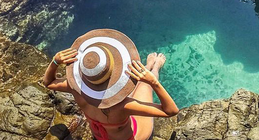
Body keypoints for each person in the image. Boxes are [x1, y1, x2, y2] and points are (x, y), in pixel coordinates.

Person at [43, 29, 178, 140]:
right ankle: (154, 68)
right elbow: (171, 110)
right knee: (144, 86)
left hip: (100, 137)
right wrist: (153, 82)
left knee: (131, 87)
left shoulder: (76, 90)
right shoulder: (123, 106)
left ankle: (146, 66)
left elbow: (48, 82)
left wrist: (55, 62)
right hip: (133, 136)